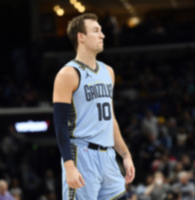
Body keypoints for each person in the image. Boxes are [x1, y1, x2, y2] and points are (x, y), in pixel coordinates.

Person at [52, 13, 135, 200]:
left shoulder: (108, 71)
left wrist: (125, 154)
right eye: (96, 31)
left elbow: (110, 119)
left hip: (108, 157)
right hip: (82, 155)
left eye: (101, 31)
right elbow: (60, 125)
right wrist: (69, 166)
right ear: (81, 37)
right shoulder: (68, 74)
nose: (102, 35)